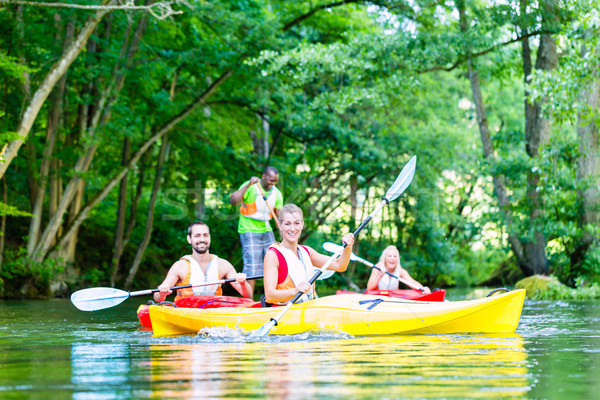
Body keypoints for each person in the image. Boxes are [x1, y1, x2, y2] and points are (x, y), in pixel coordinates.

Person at [263, 204, 354, 305]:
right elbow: (270, 295)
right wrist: (295, 291)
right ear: (280, 225)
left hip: (307, 309)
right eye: (287, 224)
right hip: (283, 313)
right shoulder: (273, 255)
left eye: (296, 223)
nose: (292, 229)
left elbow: (340, 265)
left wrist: (348, 247)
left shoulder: (307, 252)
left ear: (302, 224)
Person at [154, 221, 252, 302]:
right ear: (189, 239)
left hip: (213, 311)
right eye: (197, 236)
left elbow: (248, 295)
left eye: (205, 235)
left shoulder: (223, 265)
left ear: (209, 238)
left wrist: (243, 283)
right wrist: (162, 293)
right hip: (186, 313)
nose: (202, 239)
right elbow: (157, 298)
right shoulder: (180, 266)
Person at [229, 166, 283, 291]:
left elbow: (278, 216)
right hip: (248, 229)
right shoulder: (251, 187)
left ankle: (274, 298)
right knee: (252, 268)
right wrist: (248, 185)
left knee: (275, 262)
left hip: (266, 230)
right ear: (263, 176)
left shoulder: (277, 193)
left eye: (275, 181)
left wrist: (283, 231)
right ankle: (250, 302)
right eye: (270, 180)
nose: (272, 184)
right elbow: (233, 201)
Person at [366, 245, 431, 293]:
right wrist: (380, 275)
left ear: (398, 259)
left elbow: (412, 282)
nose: (392, 258)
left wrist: (423, 288)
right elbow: (369, 288)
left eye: (395, 256)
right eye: (389, 256)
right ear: (385, 258)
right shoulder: (378, 267)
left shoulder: (400, 271)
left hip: (392, 298)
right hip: (377, 297)